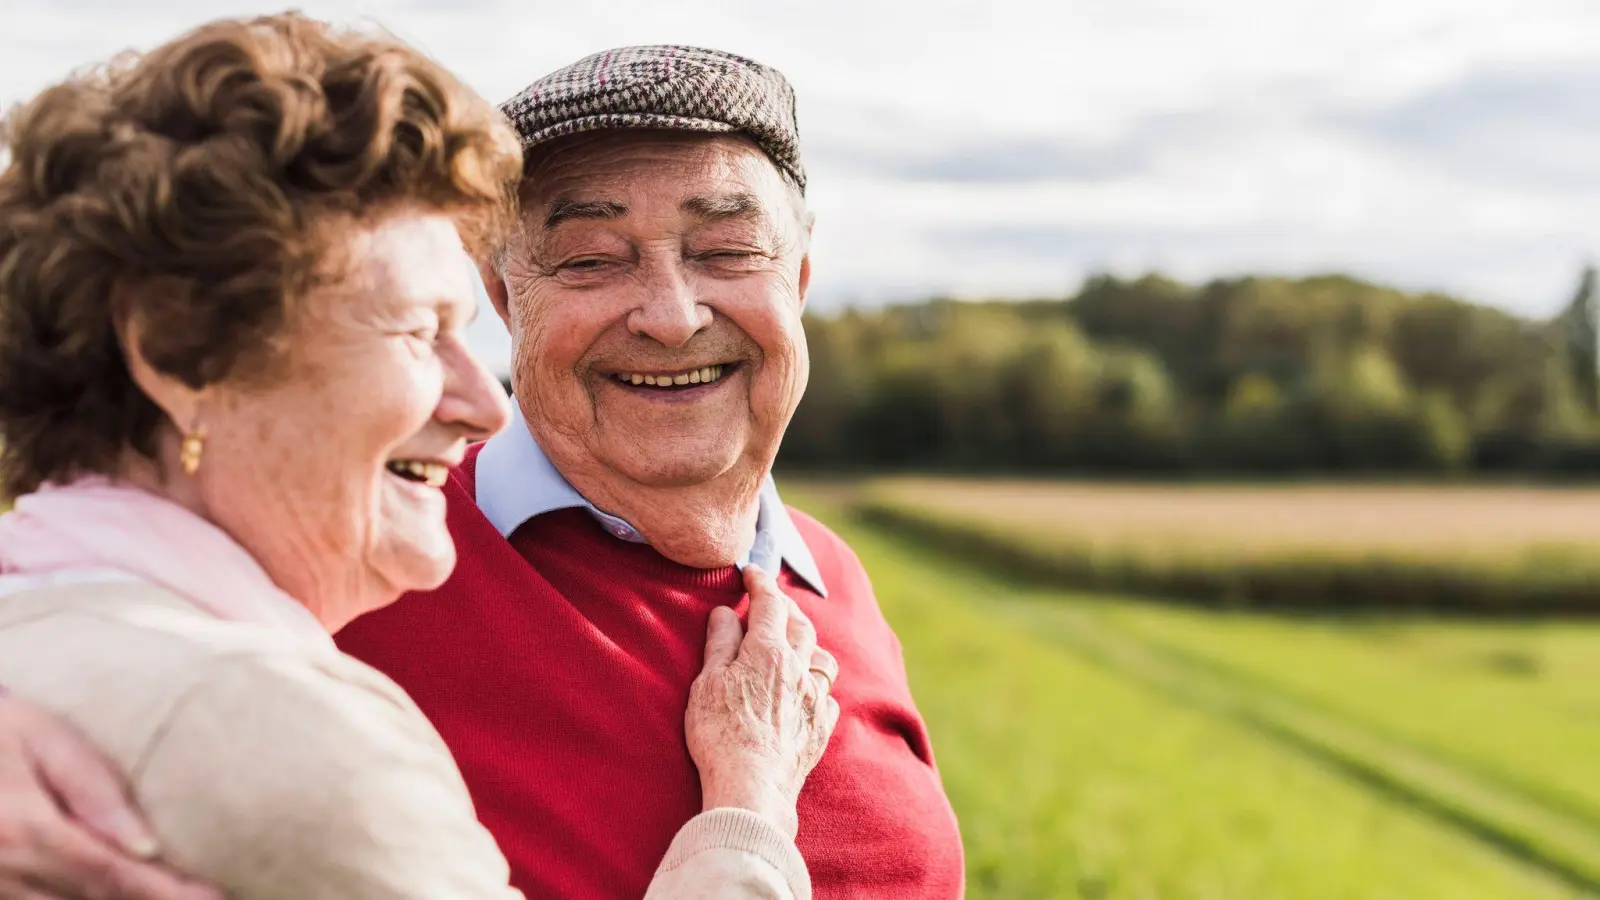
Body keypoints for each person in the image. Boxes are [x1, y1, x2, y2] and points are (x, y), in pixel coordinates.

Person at [0, 44, 965, 900]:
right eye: (591, 258)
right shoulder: (355, 565)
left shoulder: (832, 579)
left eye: (727, 250)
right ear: (505, 298)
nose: (672, 315)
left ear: (796, 282)